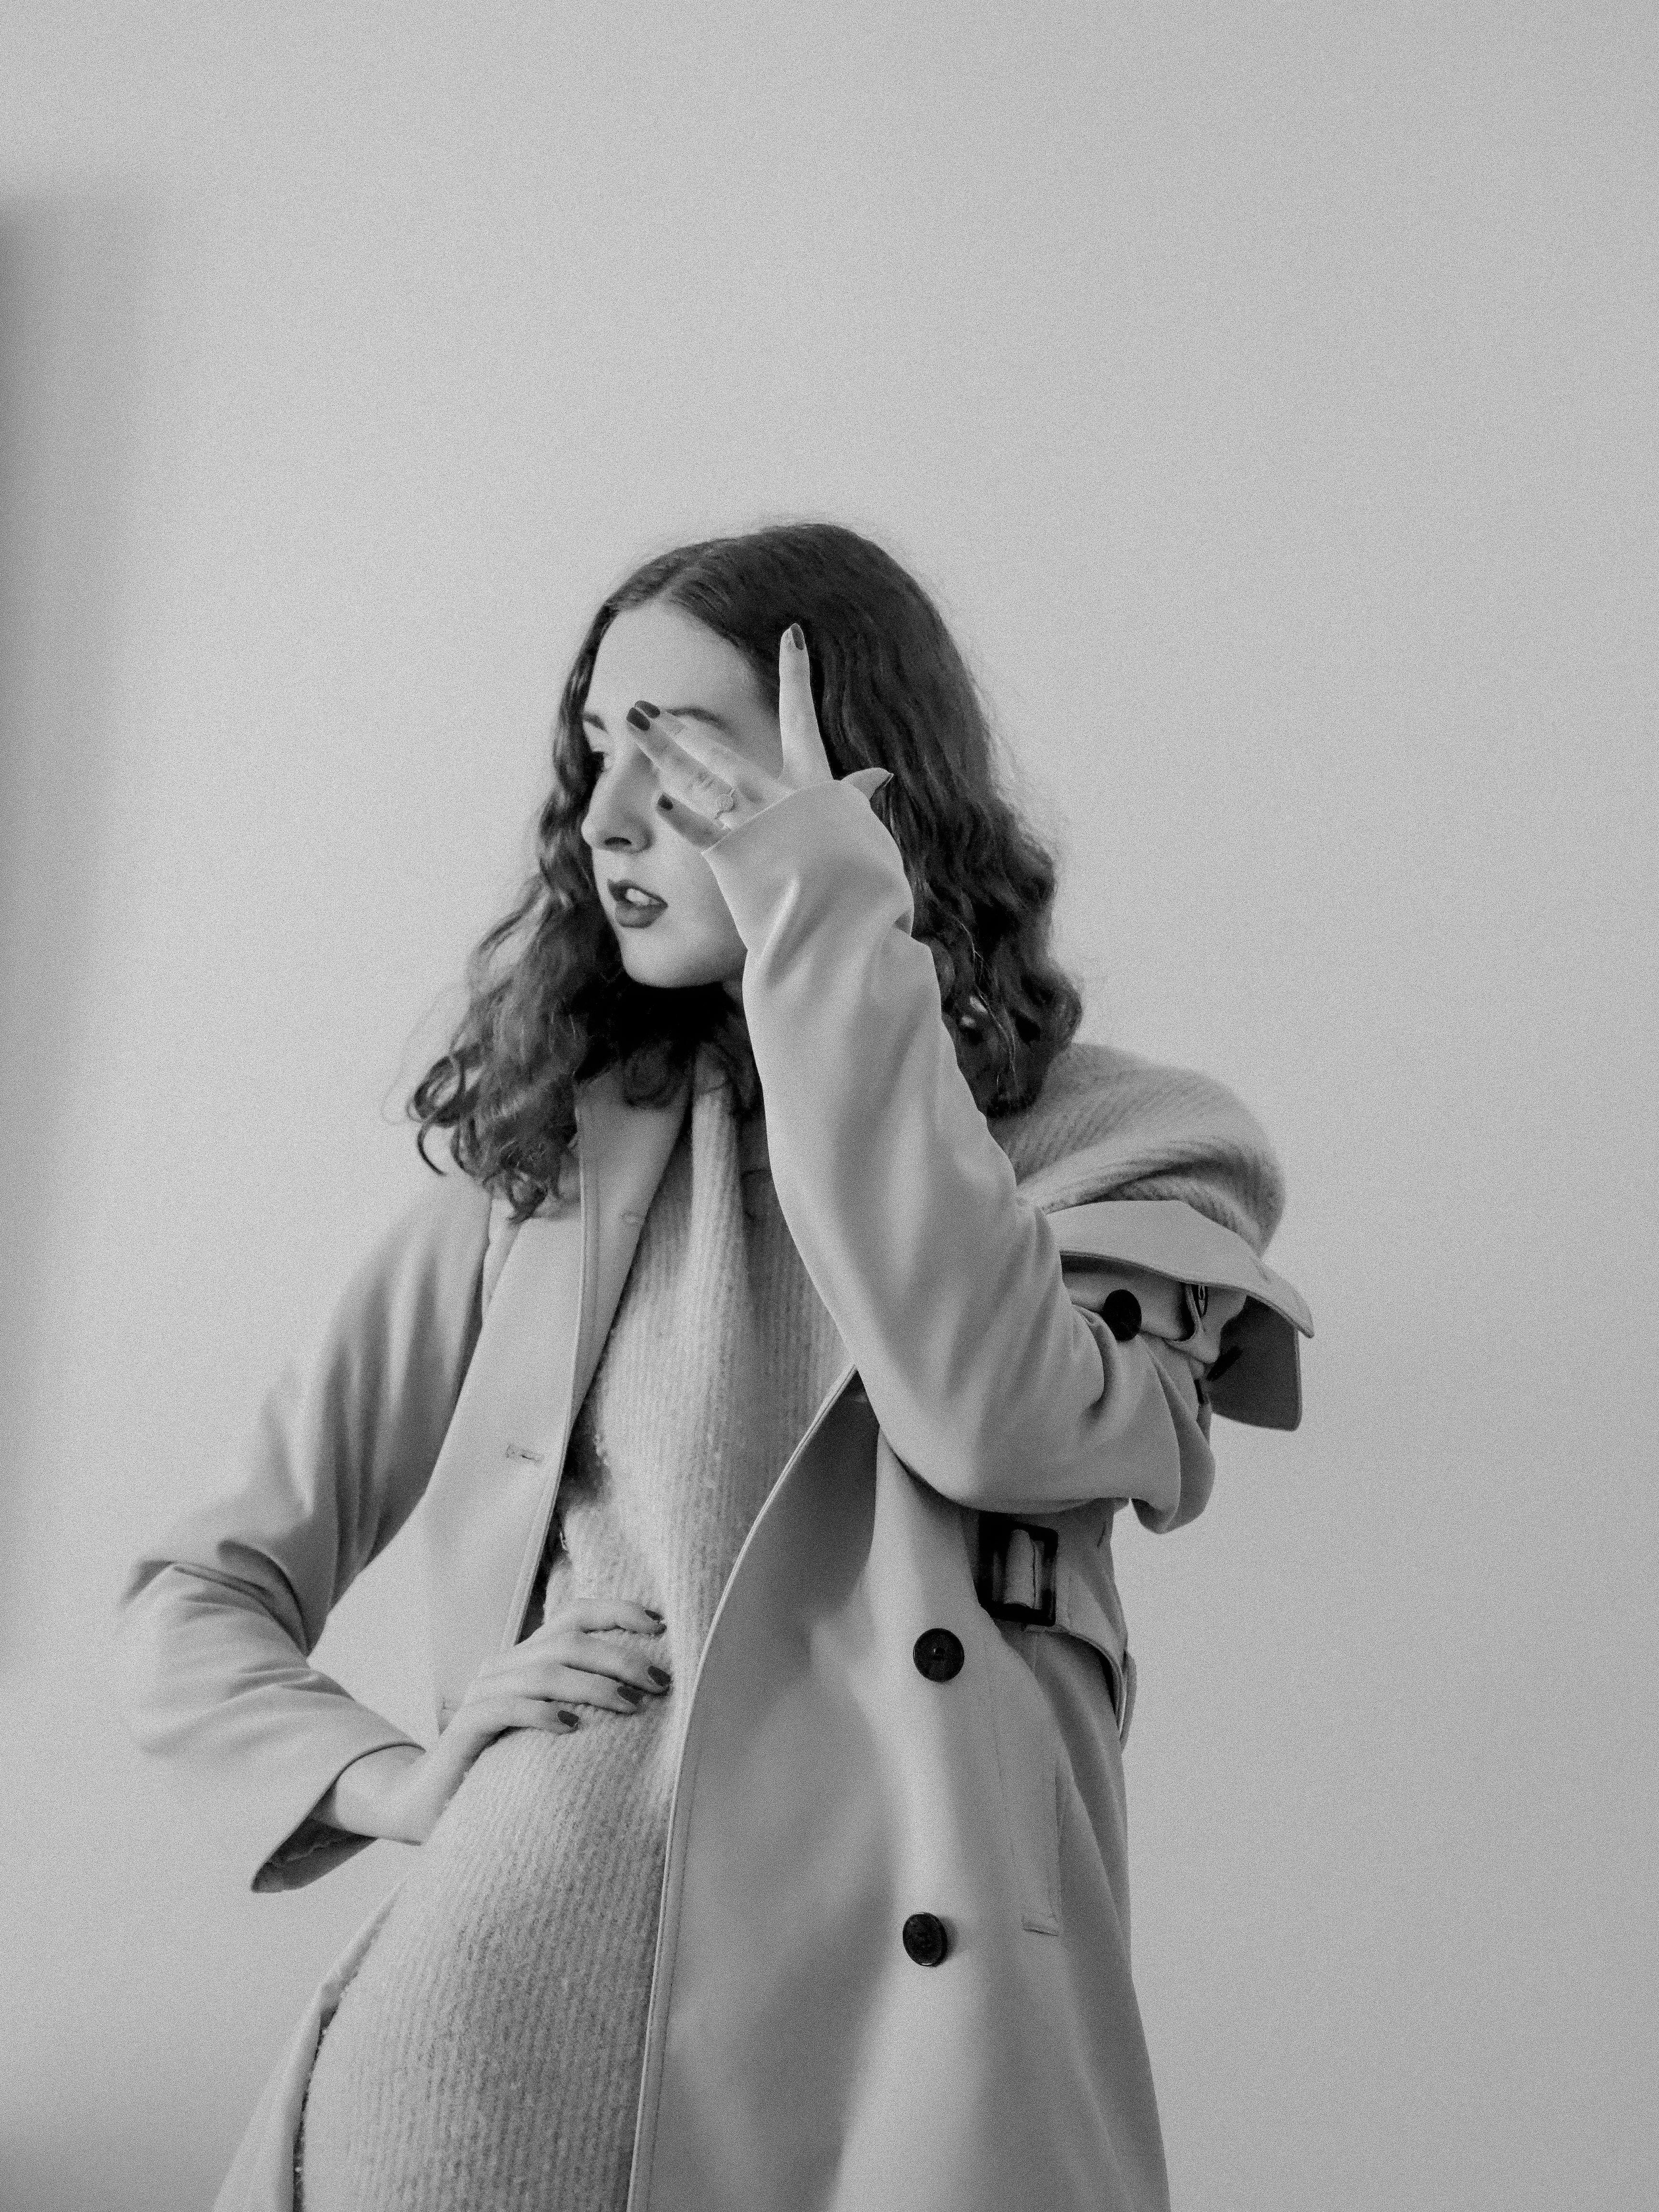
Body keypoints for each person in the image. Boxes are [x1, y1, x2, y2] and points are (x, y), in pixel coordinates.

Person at [115, 520, 1312, 2212]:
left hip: (907, 2074)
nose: (608, 817)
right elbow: (196, 1593)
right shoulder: (549, 1167)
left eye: (677, 750)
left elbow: (983, 1410)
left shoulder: (1130, 1151)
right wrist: (396, 1780)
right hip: (492, 2047)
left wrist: (831, 919)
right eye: (598, 749)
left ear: (861, 791)